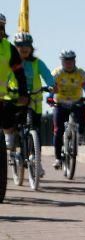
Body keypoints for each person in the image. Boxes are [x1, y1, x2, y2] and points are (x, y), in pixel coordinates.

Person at [11, 32, 55, 176]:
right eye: (19, 45)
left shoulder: (37, 63)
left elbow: (48, 76)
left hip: (35, 101)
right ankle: (14, 153)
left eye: (26, 45)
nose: (23, 48)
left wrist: (52, 86)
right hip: (16, 100)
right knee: (14, 128)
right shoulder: (11, 62)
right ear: (15, 47)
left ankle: (37, 161)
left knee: (35, 131)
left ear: (31, 47)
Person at [51, 50, 85, 168]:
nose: (68, 63)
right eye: (66, 61)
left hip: (76, 102)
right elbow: (51, 88)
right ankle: (58, 158)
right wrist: (49, 98)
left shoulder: (81, 74)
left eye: (71, 60)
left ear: (74, 61)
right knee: (58, 131)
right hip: (60, 103)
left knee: (82, 120)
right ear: (62, 62)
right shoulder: (57, 73)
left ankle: (79, 136)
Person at [0, 16, 30, 146]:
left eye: (2, 27)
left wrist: (23, 94)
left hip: (3, 96)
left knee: (8, 121)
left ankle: (9, 149)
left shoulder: (9, 48)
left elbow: (19, 74)